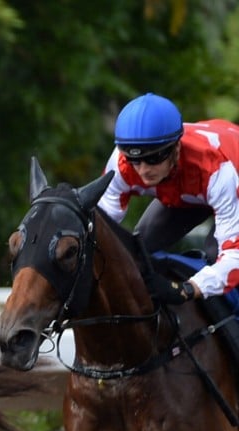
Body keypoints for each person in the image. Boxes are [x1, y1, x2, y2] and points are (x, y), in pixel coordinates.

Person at [98, 92, 239, 305]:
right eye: (134, 159)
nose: (144, 170)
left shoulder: (218, 170)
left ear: (176, 147)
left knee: (215, 254)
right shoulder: (121, 163)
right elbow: (100, 228)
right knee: (139, 248)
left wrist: (186, 289)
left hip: (227, 176)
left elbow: (233, 258)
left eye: (154, 158)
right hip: (188, 187)